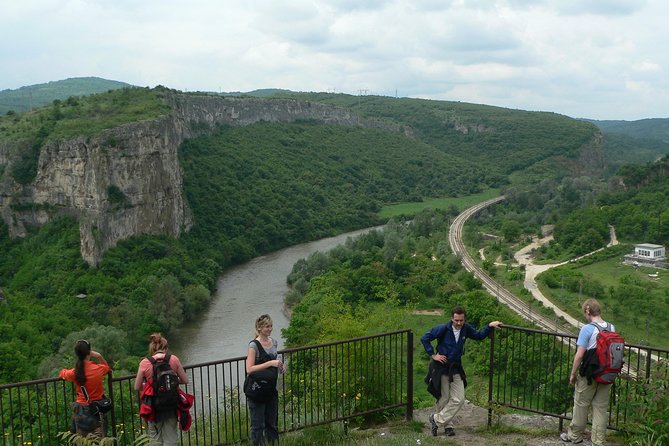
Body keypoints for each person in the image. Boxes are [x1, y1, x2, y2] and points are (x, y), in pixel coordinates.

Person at [421, 306, 502, 437]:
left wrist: (489, 325)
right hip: (441, 367)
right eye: (456, 320)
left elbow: (479, 335)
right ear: (452, 318)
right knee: (444, 398)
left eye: (461, 320)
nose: (459, 323)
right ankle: (448, 426)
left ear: (464, 319)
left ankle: (436, 419)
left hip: (456, 367)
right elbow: (425, 338)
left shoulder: (466, 328)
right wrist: (433, 355)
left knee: (459, 398)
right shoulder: (442, 328)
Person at [560, 298, 614, 446]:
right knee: (600, 408)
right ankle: (598, 441)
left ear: (588, 311)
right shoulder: (611, 327)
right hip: (606, 374)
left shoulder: (587, 329)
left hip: (589, 374)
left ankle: (574, 436)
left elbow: (579, 355)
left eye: (585, 312)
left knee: (581, 404)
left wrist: (572, 374)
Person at [134, 333, 188, 446]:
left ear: (152, 349)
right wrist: (171, 382)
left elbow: (137, 387)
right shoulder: (173, 359)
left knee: (155, 439)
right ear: (166, 348)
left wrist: (150, 385)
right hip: (171, 404)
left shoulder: (145, 363)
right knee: (171, 438)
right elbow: (185, 380)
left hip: (153, 406)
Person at [59, 339, 110, 439]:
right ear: (89, 352)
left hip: (80, 410)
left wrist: (64, 371)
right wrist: (99, 356)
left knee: (81, 439)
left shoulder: (75, 372)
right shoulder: (97, 369)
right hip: (97, 408)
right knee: (99, 439)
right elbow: (107, 368)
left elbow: (62, 373)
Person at [246, 314, 284, 445]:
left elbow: (275, 360)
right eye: (267, 326)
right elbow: (249, 369)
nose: (270, 329)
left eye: (271, 326)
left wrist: (280, 366)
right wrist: (271, 363)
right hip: (257, 390)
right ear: (259, 328)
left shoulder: (274, 342)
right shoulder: (254, 345)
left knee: (272, 423)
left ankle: (273, 443)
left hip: (271, 389)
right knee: (257, 425)